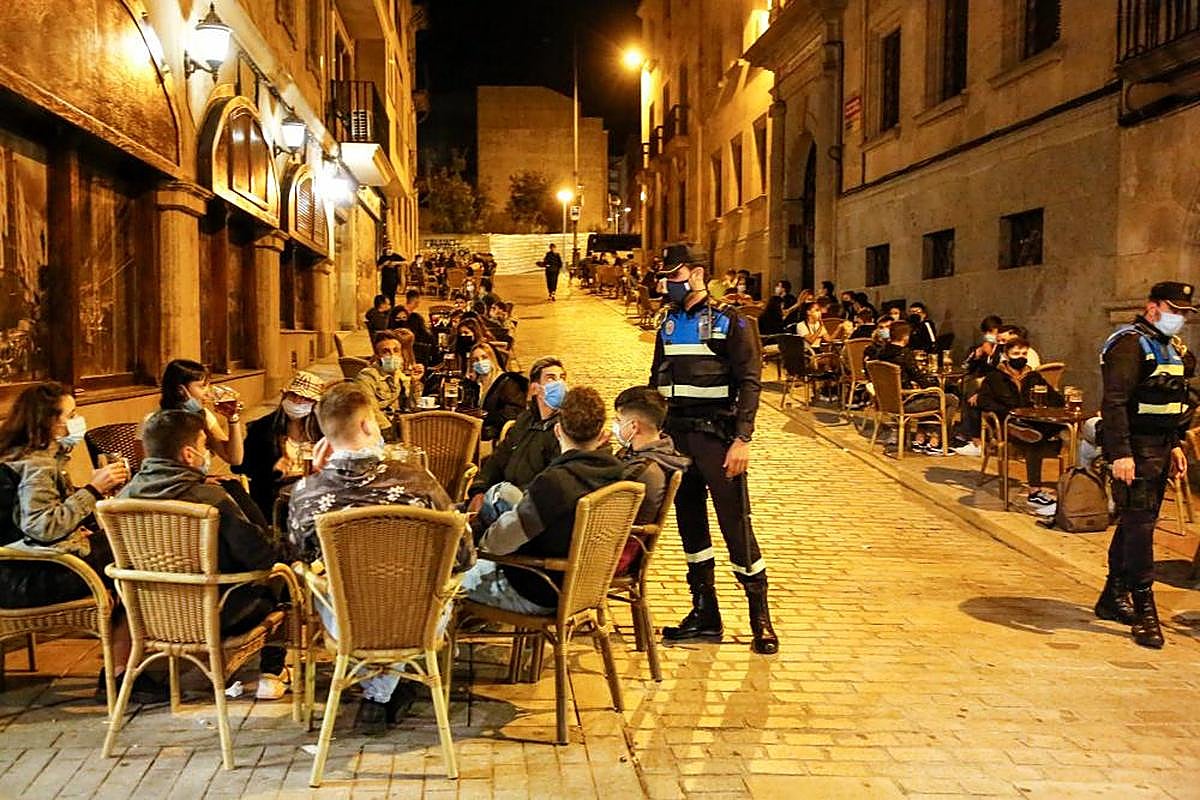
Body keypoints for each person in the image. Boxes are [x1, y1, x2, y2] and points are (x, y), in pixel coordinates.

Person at [287, 382, 470, 731]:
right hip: (415, 617)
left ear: (326, 436)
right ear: (367, 424)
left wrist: (320, 476)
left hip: (346, 619)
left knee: (328, 585)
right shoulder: (419, 483)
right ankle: (384, 693)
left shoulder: (306, 494)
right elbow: (463, 553)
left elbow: (300, 554)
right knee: (438, 585)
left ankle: (377, 693)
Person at [650, 244, 778, 655]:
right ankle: (705, 612)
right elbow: (655, 379)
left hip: (717, 440)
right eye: (666, 276)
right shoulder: (667, 322)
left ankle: (760, 618)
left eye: (675, 274)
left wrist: (743, 439)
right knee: (691, 526)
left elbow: (750, 382)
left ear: (698, 273)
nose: (668, 282)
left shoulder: (731, 321)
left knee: (735, 525)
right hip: (678, 440)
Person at [0, 382, 158, 702]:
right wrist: (93, 490)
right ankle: (121, 672)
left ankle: (125, 662)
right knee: (134, 556)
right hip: (28, 577)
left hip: (20, 568)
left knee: (121, 545)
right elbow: (42, 527)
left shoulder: (29, 456)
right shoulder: (37, 465)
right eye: (71, 415)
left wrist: (79, 525)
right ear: (49, 421)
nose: (76, 421)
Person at [123, 410, 292, 700]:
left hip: (148, 615)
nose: (208, 453)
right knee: (285, 577)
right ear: (189, 454)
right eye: (205, 445)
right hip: (217, 612)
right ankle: (272, 672)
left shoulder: (123, 498)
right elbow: (259, 557)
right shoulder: (208, 499)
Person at [1094, 281, 1196, 649]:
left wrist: (1176, 444)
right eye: (1174, 309)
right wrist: (1121, 453)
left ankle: (1112, 595)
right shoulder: (1129, 344)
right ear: (1152, 307)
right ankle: (1144, 607)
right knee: (1140, 528)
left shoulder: (1170, 346)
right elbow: (1115, 402)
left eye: (1185, 312)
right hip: (1134, 449)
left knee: (1136, 522)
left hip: (1159, 448)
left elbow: (1173, 402)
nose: (1180, 317)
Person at [463, 387, 623, 614]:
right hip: (585, 587)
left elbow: (499, 543)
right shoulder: (617, 477)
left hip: (539, 589)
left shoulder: (555, 483)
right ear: (601, 435)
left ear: (558, 430)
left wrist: (476, 544)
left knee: (441, 572)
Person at [467, 357, 566, 512]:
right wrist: (479, 490)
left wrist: (505, 495)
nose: (559, 384)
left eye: (562, 378)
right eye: (551, 378)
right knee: (445, 511)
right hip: (502, 500)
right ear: (535, 388)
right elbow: (498, 458)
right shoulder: (524, 420)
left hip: (528, 507)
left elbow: (552, 481)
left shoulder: (563, 429)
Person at [974, 338, 1063, 507]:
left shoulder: (1034, 376)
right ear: (1006, 355)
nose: (1020, 357)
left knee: (1056, 427)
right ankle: (1034, 491)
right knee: (1034, 442)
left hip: (1033, 422)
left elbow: (1057, 400)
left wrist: (1047, 405)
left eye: (1023, 353)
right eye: (1016, 353)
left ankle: (1026, 432)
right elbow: (983, 402)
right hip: (1006, 421)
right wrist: (1008, 411)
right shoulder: (995, 377)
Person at [232, 371, 324, 524]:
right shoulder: (263, 428)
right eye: (293, 395)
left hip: (313, 492)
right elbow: (240, 466)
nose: (298, 401)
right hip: (275, 496)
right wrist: (273, 469)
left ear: (314, 403)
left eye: (305, 398)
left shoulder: (322, 431)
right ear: (284, 396)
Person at [875, 322, 959, 452]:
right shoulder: (904, 354)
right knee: (950, 399)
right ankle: (939, 440)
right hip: (906, 403)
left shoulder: (881, 354)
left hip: (887, 402)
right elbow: (919, 377)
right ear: (905, 337)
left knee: (928, 396)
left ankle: (921, 437)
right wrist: (937, 387)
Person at [158, 359, 245, 468]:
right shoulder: (156, 422)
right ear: (180, 390)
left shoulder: (204, 415)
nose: (208, 392)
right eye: (202, 386)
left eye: (208, 385)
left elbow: (234, 459)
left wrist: (233, 419)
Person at [355, 331, 421, 437]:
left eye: (396, 350)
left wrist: (414, 382)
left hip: (400, 427)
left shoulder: (400, 375)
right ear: (378, 356)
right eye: (386, 352)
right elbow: (369, 409)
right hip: (378, 432)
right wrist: (389, 432)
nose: (392, 355)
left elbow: (412, 407)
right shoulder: (367, 376)